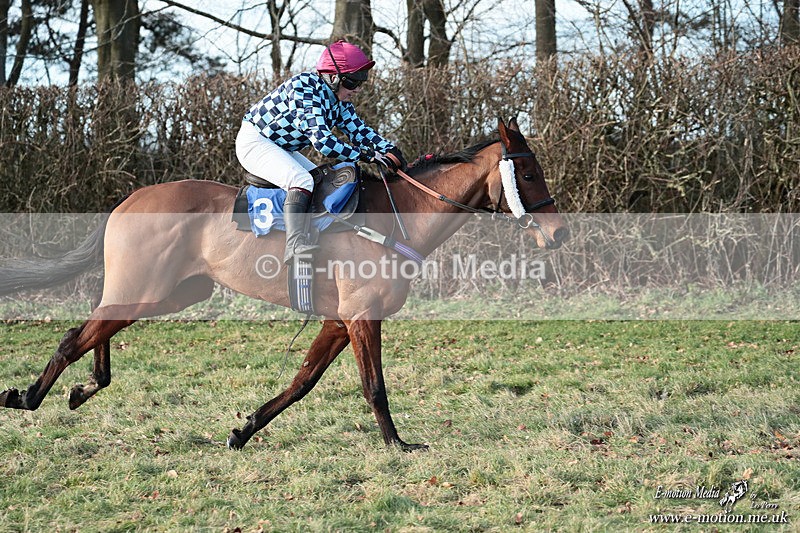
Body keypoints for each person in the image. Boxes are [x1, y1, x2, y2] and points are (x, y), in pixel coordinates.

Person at [236, 40, 406, 264]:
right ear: (333, 77)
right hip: (255, 142)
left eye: (361, 82)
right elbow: (324, 143)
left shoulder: (339, 100)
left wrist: (388, 149)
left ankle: (315, 237)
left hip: (279, 146)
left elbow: (359, 131)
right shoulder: (304, 89)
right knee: (302, 180)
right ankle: (294, 244)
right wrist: (364, 156)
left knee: (319, 180)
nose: (357, 89)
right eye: (353, 82)